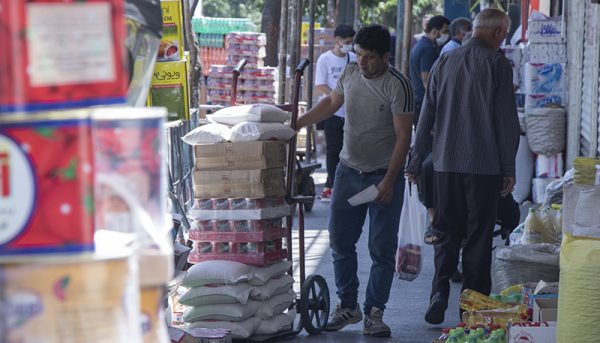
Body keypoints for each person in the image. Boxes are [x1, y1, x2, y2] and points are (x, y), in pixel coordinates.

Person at [297, 24, 414, 337]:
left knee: (381, 247)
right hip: (348, 172)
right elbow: (332, 103)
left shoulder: (397, 84)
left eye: (370, 57)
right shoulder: (349, 73)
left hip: (381, 176)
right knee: (340, 242)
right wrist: (299, 123)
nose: (362, 62)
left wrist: (390, 180)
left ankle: (374, 312)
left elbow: (404, 136)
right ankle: (347, 306)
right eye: (359, 54)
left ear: (386, 57)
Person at [405, 8, 520, 325]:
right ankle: (471, 309)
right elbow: (506, 122)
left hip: (444, 163)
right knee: (478, 237)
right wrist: (509, 168)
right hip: (483, 168)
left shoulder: (445, 59)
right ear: (497, 34)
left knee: (445, 231)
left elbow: (427, 113)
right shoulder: (498, 64)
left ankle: (439, 292)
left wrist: (415, 161)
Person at [315, 24, 356, 202]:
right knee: (333, 150)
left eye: (351, 42)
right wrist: (337, 97)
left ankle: (339, 183)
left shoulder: (354, 58)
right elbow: (320, 85)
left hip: (351, 112)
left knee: (348, 150)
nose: (349, 45)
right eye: (346, 42)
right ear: (337, 41)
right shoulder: (325, 59)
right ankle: (332, 186)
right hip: (332, 111)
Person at [409, 15, 450, 126]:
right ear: (435, 31)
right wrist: (434, 102)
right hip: (424, 100)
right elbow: (426, 79)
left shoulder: (421, 45)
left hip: (419, 97)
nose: (447, 34)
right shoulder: (427, 48)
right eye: (445, 31)